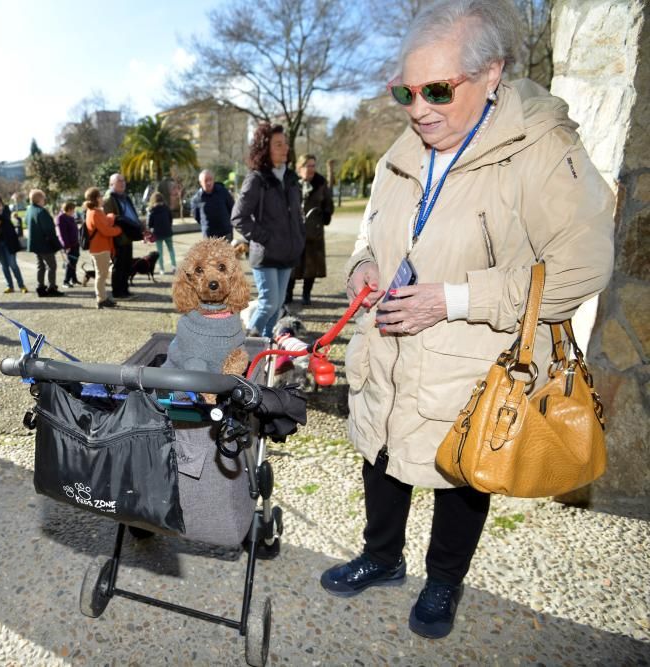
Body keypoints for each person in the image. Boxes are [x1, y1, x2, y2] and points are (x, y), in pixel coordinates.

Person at [321, 0, 614, 640]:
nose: (419, 107)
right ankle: (381, 556)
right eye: (405, 90)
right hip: (391, 353)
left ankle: (443, 581)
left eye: (436, 90)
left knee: (463, 475)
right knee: (381, 450)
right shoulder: (402, 149)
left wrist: (452, 299)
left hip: (470, 362)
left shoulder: (541, 149)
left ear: (492, 74)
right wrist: (362, 270)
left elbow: (585, 265)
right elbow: (374, 238)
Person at [230, 123, 304, 338]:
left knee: (278, 304)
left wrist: (299, 238)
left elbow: (296, 214)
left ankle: (265, 344)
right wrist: (265, 238)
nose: (285, 148)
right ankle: (247, 344)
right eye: (278, 144)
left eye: (285, 143)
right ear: (265, 149)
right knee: (268, 303)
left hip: (287, 254)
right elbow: (238, 217)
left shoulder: (290, 178)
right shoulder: (256, 179)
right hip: (266, 254)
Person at [285, 154, 334, 305]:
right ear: (300, 168)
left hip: (314, 232)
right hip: (293, 233)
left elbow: (328, 203)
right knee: (292, 267)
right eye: (308, 166)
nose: (311, 169)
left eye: (313, 165)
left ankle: (306, 294)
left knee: (311, 267)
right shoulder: (291, 183)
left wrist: (326, 215)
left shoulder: (320, 183)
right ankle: (288, 294)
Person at [102, 173, 142, 300]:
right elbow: (109, 219)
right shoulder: (109, 199)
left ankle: (125, 290)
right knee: (119, 266)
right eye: (119, 181)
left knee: (126, 265)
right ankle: (118, 292)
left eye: (123, 180)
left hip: (128, 236)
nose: (123, 183)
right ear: (111, 184)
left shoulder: (124, 197)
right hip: (118, 238)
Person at [83, 187, 122, 309]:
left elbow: (103, 224)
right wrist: (118, 230)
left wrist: (109, 216)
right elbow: (106, 230)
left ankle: (103, 298)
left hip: (98, 248)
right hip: (100, 248)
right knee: (101, 275)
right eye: (100, 196)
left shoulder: (93, 211)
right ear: (96, 199)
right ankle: (101, 299)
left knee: (102, 274)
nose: (102, 198)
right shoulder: (95, 212)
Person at [0, 192, 27, 294]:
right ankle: (10, 286)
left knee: (13, 264)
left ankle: (21, 285)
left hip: (9, 241)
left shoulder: (6, 209)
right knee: (4, 266)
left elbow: (4, 218)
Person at [24, 189, 62, 297]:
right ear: (40, 199)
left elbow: (26, 222)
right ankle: (52, 288)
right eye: (44, 197)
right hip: (45, 245)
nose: (45, 200)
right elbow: (49, 230)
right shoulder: (41, 211)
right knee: (52, 266)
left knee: (40, 266)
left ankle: (40, 287)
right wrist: (57, 244)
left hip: (35, 244)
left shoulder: (29, 210)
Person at [190, 169, 235, 240]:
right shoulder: (196, 199)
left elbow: (232, 207)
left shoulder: (223, 191)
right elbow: (197, 217)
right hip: (209, 235)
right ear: (200, 182)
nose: (209, 183)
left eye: (210, 180)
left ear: (213, 180)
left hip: (226, 232)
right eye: (206, 180)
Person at [146, 191, 176, 275]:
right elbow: (170, 219)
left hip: (157, 234)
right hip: (167, 232)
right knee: (171, 249)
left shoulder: (151, 210)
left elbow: (149, 224)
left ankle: (162, 269)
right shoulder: (166, 208)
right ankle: (174, 266)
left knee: (160, 252)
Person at [56, 200, 81, 287]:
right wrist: (67, 246)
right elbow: (62, 234)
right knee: (70, 263)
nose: (74, 212)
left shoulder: (70, 216)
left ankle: (74, 279)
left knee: (74, 262)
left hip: (75, 243)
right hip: (69, 245)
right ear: (69, 209)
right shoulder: (61, 218)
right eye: (73, 210)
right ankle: (65, 281)